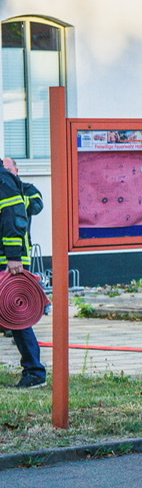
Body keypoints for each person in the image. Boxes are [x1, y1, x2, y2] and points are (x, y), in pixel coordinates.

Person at [1, 157, 46, 388]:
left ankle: (35, 372)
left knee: (17, 317)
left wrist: (13, 257)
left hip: (8, 263)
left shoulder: (6, 182)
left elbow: (14, 218)